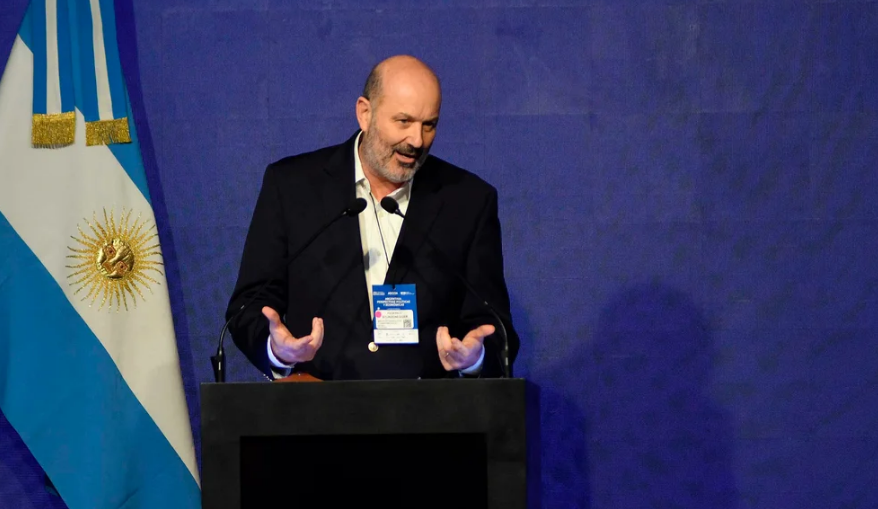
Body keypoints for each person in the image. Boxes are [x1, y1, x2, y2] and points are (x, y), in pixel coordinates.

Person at [226, 55, 519, 380]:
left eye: (429, 125)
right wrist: (277, 352)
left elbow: (494, 328)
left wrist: (475, 359)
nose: (417, 141)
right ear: (365, 113)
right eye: (403, 121)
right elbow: (248, 308)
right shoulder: (292, 187)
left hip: (427, 409)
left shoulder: (468, 201)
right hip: (316, 406)